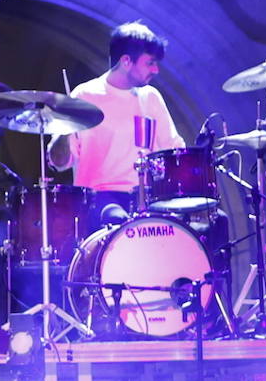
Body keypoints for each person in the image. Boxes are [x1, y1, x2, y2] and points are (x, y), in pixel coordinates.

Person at [47, 22, 187, 230]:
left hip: (144, 199)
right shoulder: (84, 96)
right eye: (150, 63)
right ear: (126, 61)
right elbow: (58, 162)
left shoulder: (151, 97)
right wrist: (64, 126)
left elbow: (173, 150)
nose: (156, 70)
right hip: (97, 201)